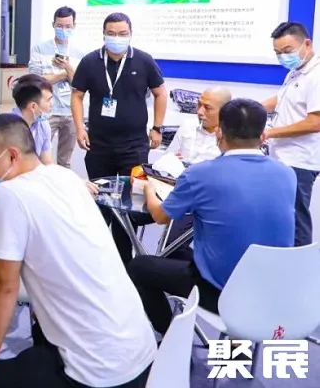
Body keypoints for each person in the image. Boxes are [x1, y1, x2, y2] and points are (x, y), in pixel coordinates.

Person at [0, 114, 155, 388]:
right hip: (142, 354)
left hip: (97, 373)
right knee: (40, 334)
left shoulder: (10, 193)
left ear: (11, 156)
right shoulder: (65, 176)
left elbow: (3, 286)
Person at [127, 99, 295, 335]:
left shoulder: (200, 174)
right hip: (271, 291)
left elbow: (160, 216)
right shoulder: (287, 174)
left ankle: (169, 336)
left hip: (221, 293)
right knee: (179, 252)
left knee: (139, 266)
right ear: (263, 136)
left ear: (219, 132)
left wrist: (148, 189)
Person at [71, 12, 167, 264]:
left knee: (129, 204)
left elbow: (160, 93)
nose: (117, 38)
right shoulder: (90, 61)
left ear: (130, 34)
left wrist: (157, 127)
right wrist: (79, 127)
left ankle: (124, 262)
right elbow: (77, 95)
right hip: (98, 146)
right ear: (103, 34)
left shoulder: (144, 61)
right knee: (99, 203)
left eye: (122, 34)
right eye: (111, 33)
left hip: (134, 147)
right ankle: (97, 260)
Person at [264, 21, 320, 246]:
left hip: (299, 161)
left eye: (287, 51)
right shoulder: (297, 72)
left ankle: (301, 265)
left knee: (296, 221)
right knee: (282, 218)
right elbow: (281, 99)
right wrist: (250, 108)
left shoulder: (316, 76)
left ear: (307, 44)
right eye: (278, 53)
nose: (283, 57)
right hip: (282, 157)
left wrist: (269, 133)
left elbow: (315, 122)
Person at [28, 6, 87, 167]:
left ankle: (62, 183)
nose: (63, 29)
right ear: (53, 24)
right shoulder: (40, 48)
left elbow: (80, 84)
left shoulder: (80, 52)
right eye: (60, 25)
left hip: (71, 112)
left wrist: (67, 68)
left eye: (68, 26)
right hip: (47, 111)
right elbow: (35, 80)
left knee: (65, 161)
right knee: (39, 156)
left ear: (74, 26)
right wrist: (62, 75)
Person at [166, 87, 232, 164]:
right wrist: (171, 159)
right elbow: (167, 157)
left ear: (224, 111)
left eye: (207, 108)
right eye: (199, 104)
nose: (199, 112)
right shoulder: (188, 125)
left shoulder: (231, 138)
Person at [10, 74, 54, 164]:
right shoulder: (7, 128)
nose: (52, 104)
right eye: (48, 100)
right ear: (33, 106)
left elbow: (47, 163)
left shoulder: (43, 124)